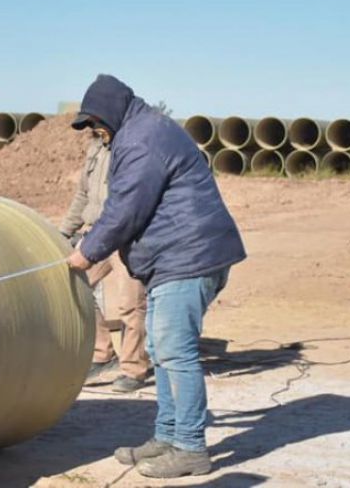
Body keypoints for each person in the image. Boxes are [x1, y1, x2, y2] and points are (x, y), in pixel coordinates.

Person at [66, 74, 246, 479]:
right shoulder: (141, 131)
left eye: (96, 125)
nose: (96, 134)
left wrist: (86, 252)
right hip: (177, 257)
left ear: (111, 112)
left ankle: (190, 448)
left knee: (175, 351)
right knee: (164, 350)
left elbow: (126, 207)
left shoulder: (142, 140)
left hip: (188, 257)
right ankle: (168, 435)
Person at [60, 134, 150, 393]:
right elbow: (83, 194)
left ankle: (134, 368)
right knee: (77, 285)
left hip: (125, 235)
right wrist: (64, 232)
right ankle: (102, 354)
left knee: (131, 304)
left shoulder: (131, 145)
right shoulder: (96, 147)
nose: (94, 128)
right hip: (95, 232)